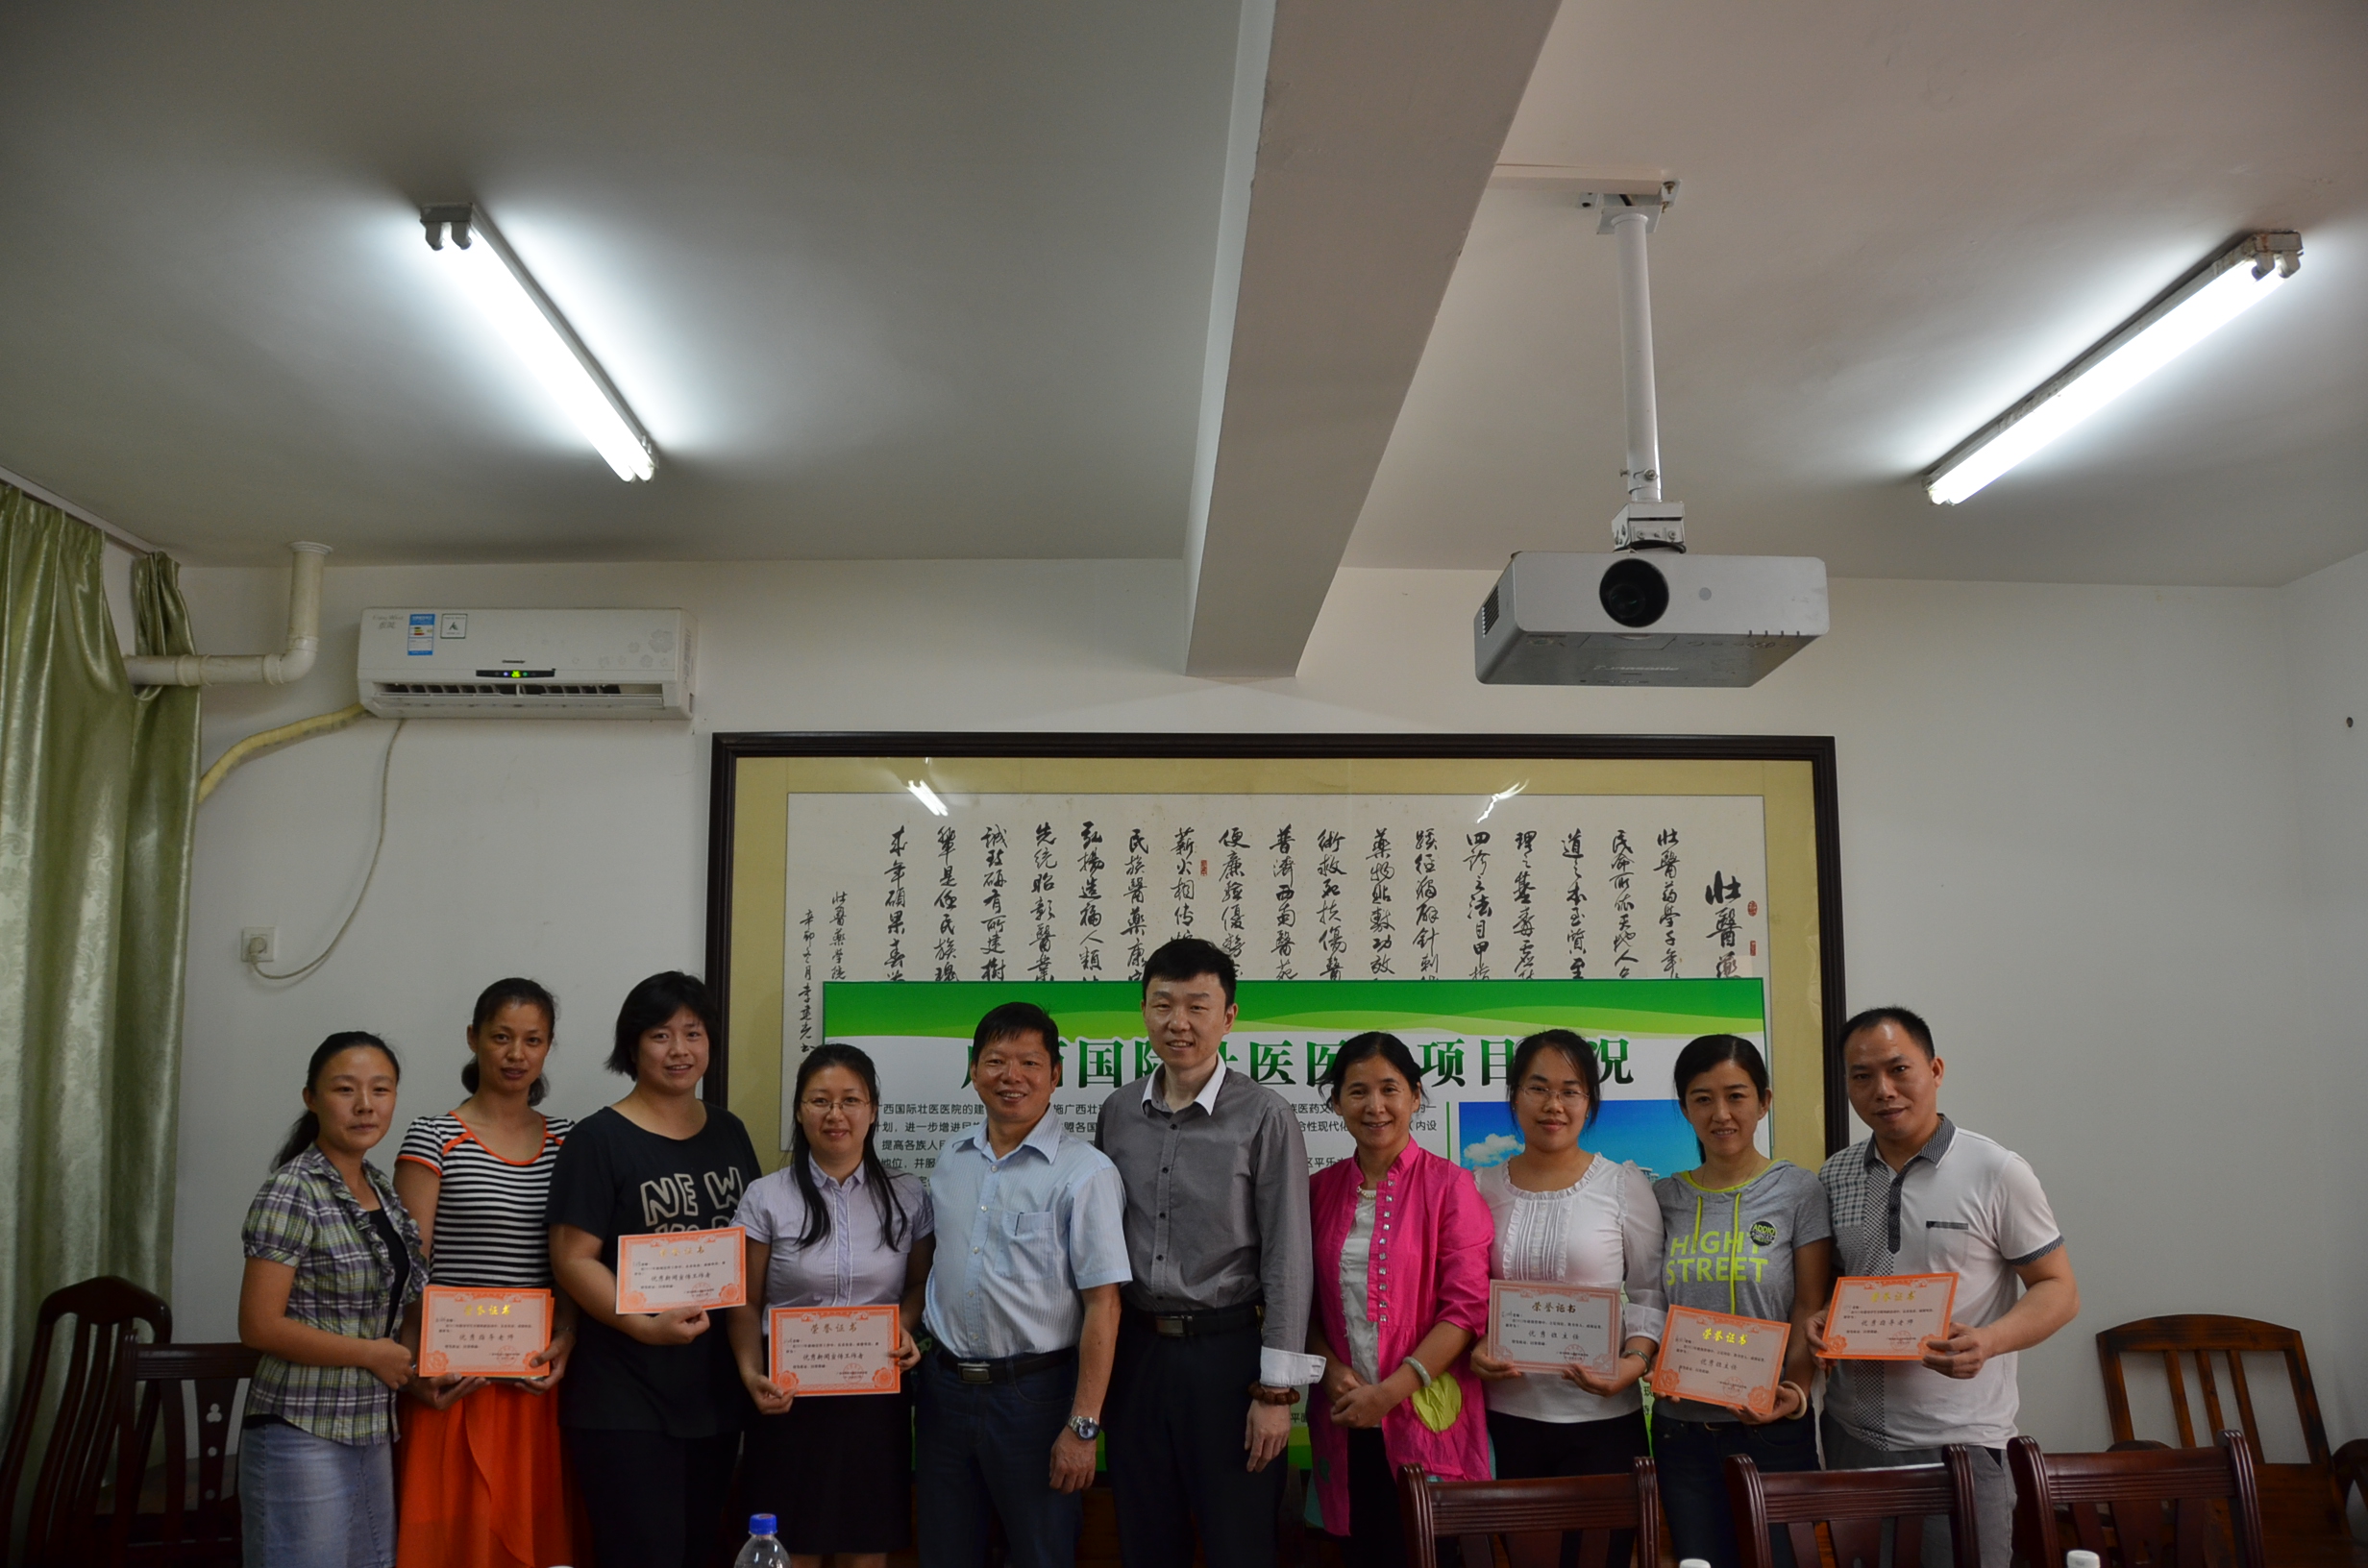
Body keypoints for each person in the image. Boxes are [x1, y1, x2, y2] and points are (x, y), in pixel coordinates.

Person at [1808, 1006, 2079, 1568]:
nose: (1883, 1090)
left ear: (1934, 1070)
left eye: (1898, 1069)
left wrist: (1989, 1341)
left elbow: (2058, 1289)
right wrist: (1821, 1318)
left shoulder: (1995, 1170)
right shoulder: (1835, 1174)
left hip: (1960, 1442)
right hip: (1852, 1436)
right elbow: (1839, 1282)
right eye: (1862, 1076)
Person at [1094, 938, 1312, 1568]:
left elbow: (1289, 1256)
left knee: (1239, 1540)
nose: (1178, 1022)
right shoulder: (1118, 1112)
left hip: (1228, 1359)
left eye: (1197, 1006)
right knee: (1144, 1537)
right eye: (1163, 1005)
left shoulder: (1265, 1115)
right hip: (1136, 1355)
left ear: (1229, 1016)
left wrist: (1276, 1393)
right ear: (1143, 1010)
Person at [547, 971, 762, 1568]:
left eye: (693, 1033)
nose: (679, 1050)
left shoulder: (729, 1130)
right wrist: (643, 1326)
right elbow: (572, 1259)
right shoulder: (597, 1140)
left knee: (701, 1552)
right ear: (633, 1045)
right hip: (625, 1396)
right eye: (661, 1035)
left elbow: (749, 1247)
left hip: (713, 1393)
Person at [916, 1002, 1129, 1568]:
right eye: (996, 1061)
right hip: (944, 1391)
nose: (1012, 1076)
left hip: (1035, 1399)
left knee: (1041, 1553)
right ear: (973, 1069)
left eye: (1030, 1062)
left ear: (1055, 1073)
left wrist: (1083, 1426)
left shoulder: (1086, 1172)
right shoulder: (952, 1158)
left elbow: (1104, 1306)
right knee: (944, 1551)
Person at [391, 978, 580, 1568]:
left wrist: (568, 1336)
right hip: (452, 1379)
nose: (516, 1054)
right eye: (501, 1037)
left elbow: (574, 1260)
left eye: (533, 1040)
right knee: (451, 1540)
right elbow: (409, 1263)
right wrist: (411, 1364)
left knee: (531, 1534)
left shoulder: (570, 1142)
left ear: (549, 1046)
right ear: (474, 1038)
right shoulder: (434, 1136)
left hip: (534, 1378)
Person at [727, 1043, 933, 1568]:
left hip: (874, 1400)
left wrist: (905, 1327)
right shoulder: (767, 1197)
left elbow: (917, 1285)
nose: (835, 1114)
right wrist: (751, 1374)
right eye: (820, 1100)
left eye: (850, 1100)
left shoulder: (909, 1195)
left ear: (873, 1110)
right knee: (791, 1548)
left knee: (866, 1549)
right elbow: (745, 1301)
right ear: (799, 1110)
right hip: (787, 1399)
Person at [1466, 1029, 1665, 1568]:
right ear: (1514, 1097)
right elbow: (1464, 1296)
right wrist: (1474, 1347)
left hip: (1604, 1419)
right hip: (1506, 1419)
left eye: (1570, 1091)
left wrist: (1633, 1364)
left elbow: (1650, 1290)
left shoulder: (1622, 1184)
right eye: (1538, 1088)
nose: (1553, 1105)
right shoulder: (1479, 1187)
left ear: (1589, 1101)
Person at [237, 1031, 428, 1568]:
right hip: (302, 1427)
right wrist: (372, 1354)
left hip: (369, 1425)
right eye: (346, 1089)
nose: (366, 1104)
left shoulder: (381, 1189)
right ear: (311, 1099)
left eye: (381, 1089)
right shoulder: (292, 1189)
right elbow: (258, 1325)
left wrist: (417, 1371)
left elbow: (393, 1309)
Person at [1305, 1032, 1492, 1568]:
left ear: (1415, 1096)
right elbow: (1298, 1301)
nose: (1375, 1106)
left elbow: (1466, 1310)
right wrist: (1328, 1367)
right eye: (1357, 1091)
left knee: (1434, 1554)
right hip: (1345, 1415)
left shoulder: (1451, 1186)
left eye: (1390, 1089)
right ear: (1336, 1102)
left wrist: (1389, 1394)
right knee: (1364, 1552)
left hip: (1426, 1416)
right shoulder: (1316, 1191)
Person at [1649, 1035, 1831, 1568]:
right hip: (1681, 1431)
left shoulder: (1798, 1191)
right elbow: (1649, 1300)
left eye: (1736, 1096)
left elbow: (1808, 1305)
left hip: (1772, 1428)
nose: (1721, 1114)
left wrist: (1796, 1391)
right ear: (1685, 1108)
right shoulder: (1663, 1198)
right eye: (1703, 1099)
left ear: (1764, 1102)